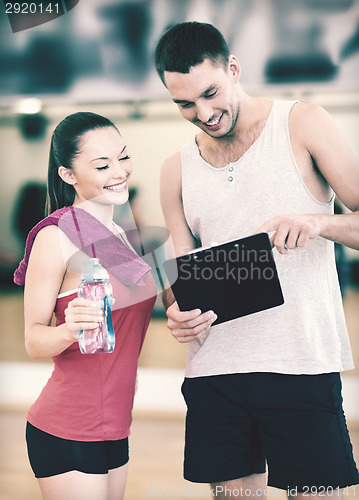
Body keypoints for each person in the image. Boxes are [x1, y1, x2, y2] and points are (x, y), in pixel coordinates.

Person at [155, 22, 359, 499]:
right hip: (215, 371)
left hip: (300, 364)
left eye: (211, 93)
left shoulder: (302, 122)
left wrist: (320, 223)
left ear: (233, 68)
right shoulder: (174, 170)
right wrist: (175, 310)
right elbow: (178, 278)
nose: (203, 113)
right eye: (185, 104)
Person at [13, 112, 156, 500]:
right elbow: (33, 340)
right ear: (68, 175)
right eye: (102, 164)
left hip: (115, 425)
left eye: (122, 157)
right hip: (67, 428)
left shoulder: (121, 235)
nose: (119, 171)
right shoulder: (56, 235)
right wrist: (67, 329)